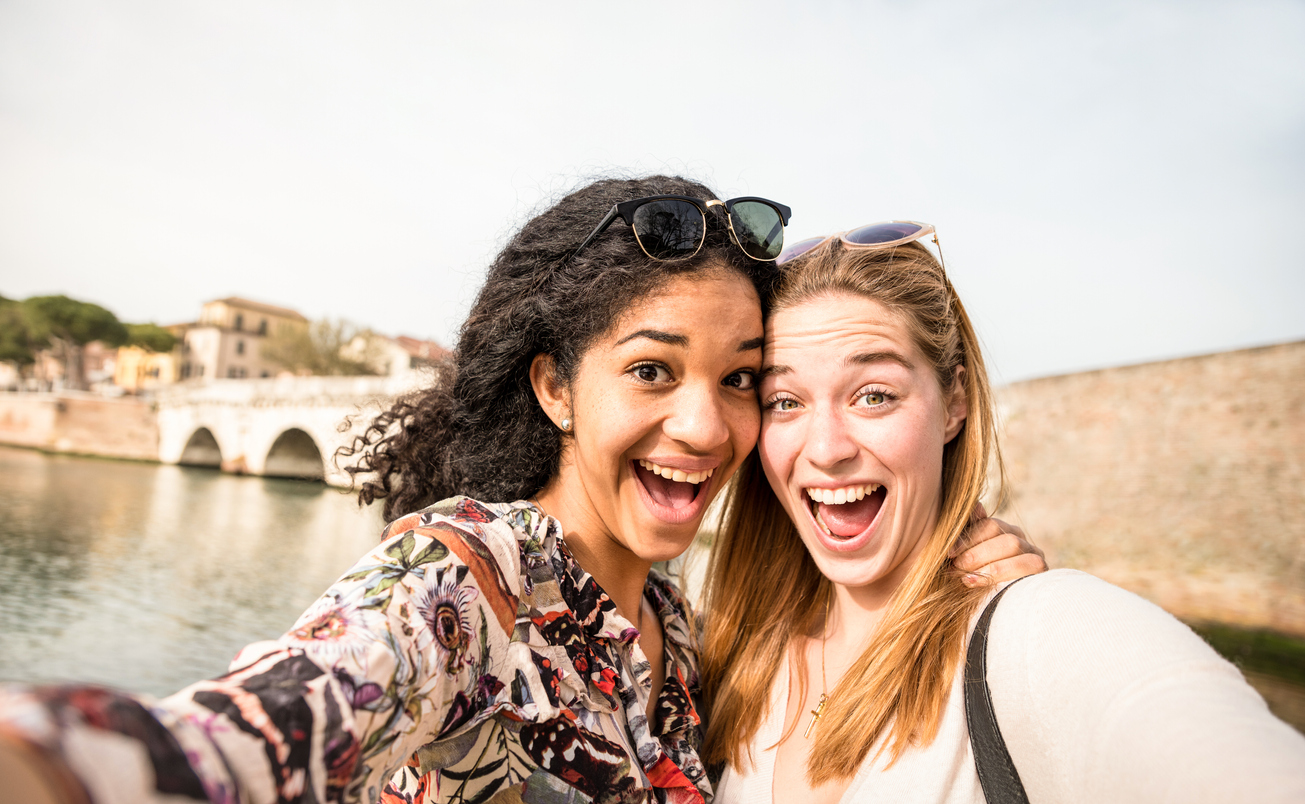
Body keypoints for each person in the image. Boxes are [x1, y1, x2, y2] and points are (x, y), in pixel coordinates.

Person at [0, 180, 1042, 804]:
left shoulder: (678, 630)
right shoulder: (463, 582)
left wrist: (955, 573)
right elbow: (254, 732)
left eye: (739, 380)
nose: (706, 426)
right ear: (553, 387)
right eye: (651, 370)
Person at [700, 224, 1305, 803]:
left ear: (954, 402)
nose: (827, 448)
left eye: (875, 395)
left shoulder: (1038, 630)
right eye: (785, 401)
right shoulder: (732, 656)